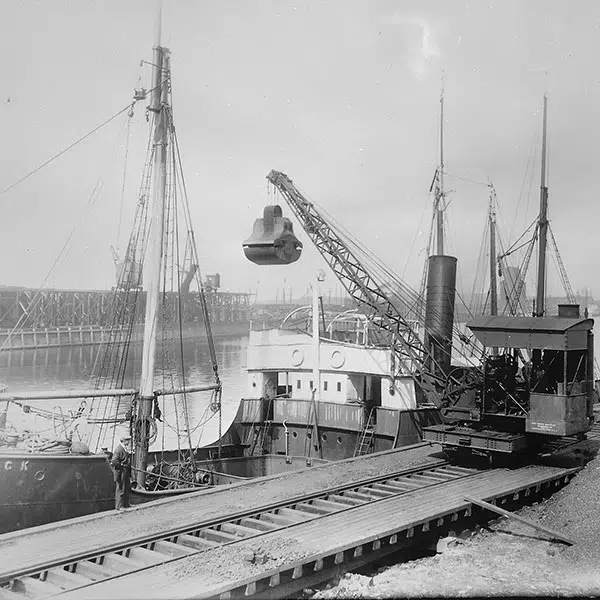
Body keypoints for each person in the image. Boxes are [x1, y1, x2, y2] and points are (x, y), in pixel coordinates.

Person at [111, 433, 132, 510]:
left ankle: (126, 504)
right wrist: (121, 466)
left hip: (125, 470)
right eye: (127, 440)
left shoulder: (124, 449)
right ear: (123, 441)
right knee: (121, 488)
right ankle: (119, 506)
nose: (129, 442)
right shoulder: (119, 449)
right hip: (121, 471)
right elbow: (114, 461)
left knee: (126, 487)